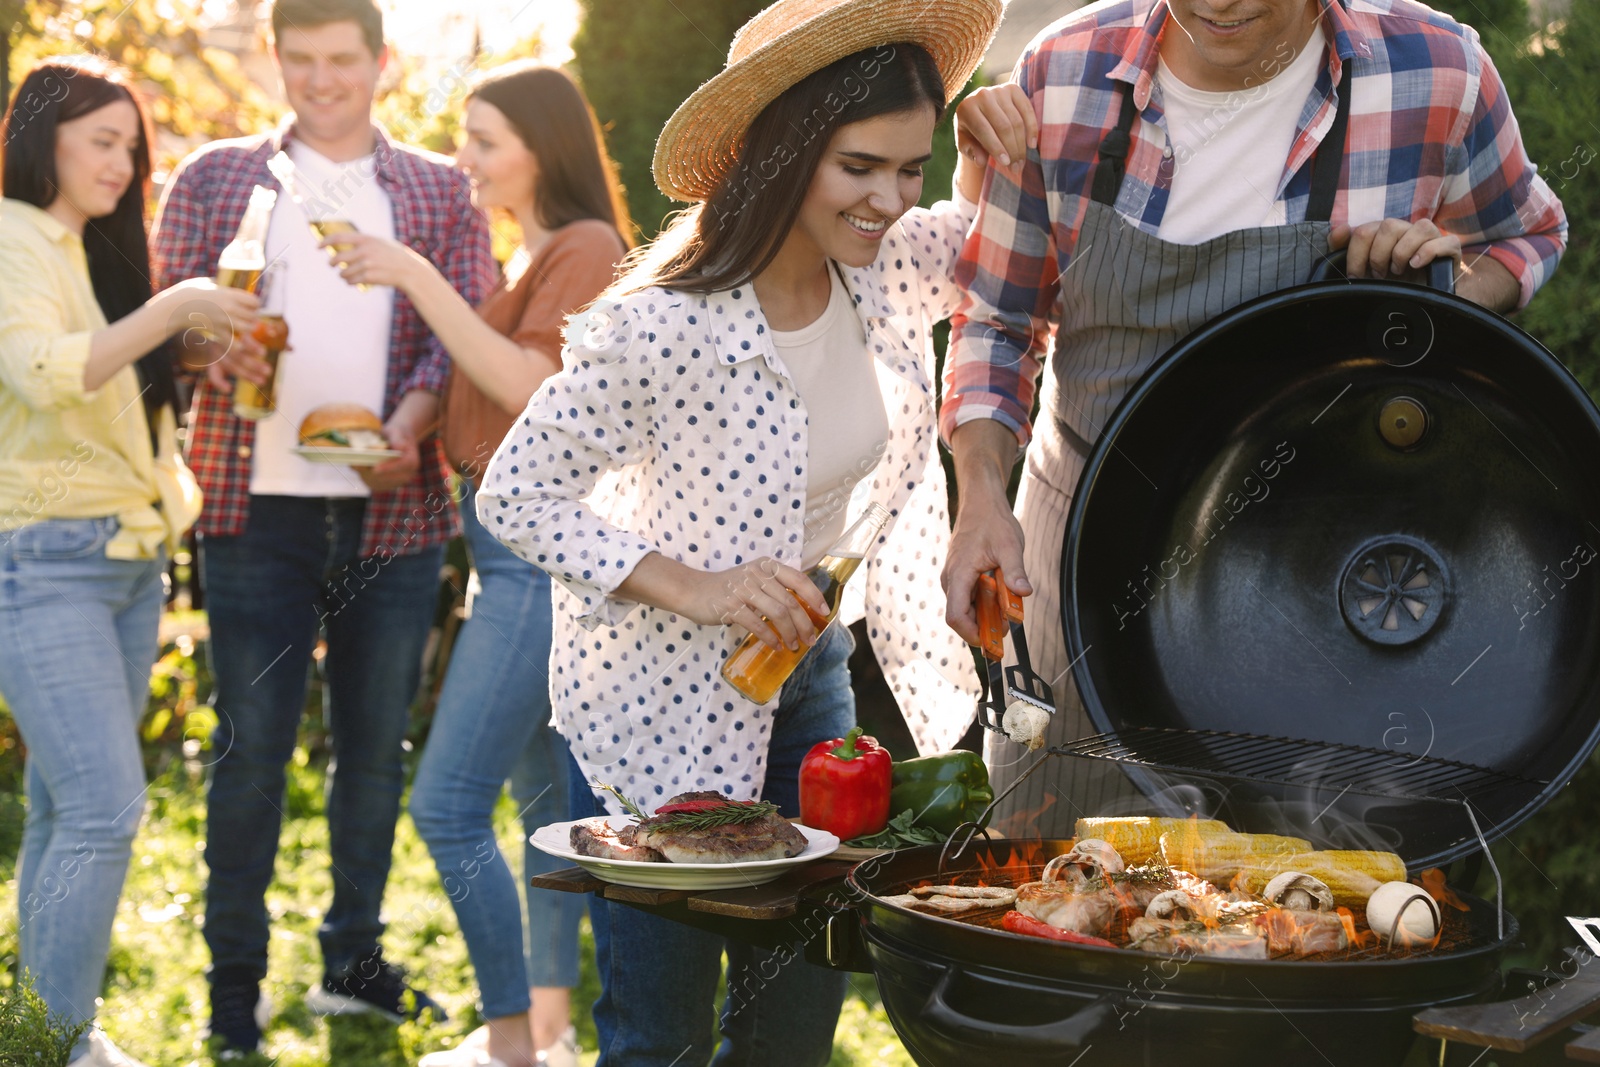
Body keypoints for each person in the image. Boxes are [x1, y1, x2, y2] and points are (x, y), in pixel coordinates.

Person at [475, 0, 1034, 1061]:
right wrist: (701, 585)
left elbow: (994, 254)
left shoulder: (878, 266)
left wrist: (985, 149)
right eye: (860, 166)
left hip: (808, 681)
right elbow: (518, 496)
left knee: (791, 1020)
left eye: (908, 170)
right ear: (782, 151)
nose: (888, 199)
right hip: (653, 712)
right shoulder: (657, 326)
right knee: (660, 1029)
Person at [939, 0, 1569, 833]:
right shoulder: (1064, 76)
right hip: (1080, 544)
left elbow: (1524, 237)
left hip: (1307, 575)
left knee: (1287, 904)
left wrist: (1435, 288)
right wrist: (980, 492)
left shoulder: (1435, 72)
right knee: (1049, 883)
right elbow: (998, 318)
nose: (1219, 5)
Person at [149, 0, 495, 1053]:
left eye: (341, 60)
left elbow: (457, 325)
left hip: (393, 505)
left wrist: (410, 423)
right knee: (252, 751)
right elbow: (166, 317)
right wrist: (212, 350)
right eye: (299, 60)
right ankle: (232, 983)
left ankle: (352, 963)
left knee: (372, 751)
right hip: (253, 511)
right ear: (275, 59)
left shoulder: (436, 189)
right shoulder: (215, 177)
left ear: (381, 62)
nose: (321, 81)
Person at [318, 61, 632, 1067]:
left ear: (547, 148)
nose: (465, 157)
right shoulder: (533, 259)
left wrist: (412, 272)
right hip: (508, 563)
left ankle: (506, 1043)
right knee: (545, 809)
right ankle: (540, 1028)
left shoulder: (586, 247)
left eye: (485, 138)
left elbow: (534, 383)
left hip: (538, 572)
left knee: (447, 802)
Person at [0, 56, 256, 1067]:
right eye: (100, 139)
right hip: (44, 560)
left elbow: (111, 395)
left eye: (130, 145)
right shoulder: (11, 236)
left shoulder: (87, 249)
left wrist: (179, 350)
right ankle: (63, 1042)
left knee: (67, 807)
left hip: (128, 556)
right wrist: (170, 304)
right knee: (107, 805)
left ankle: (37, 1031)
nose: (122, 161)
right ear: (41, 136)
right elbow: (39, 373)